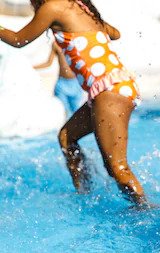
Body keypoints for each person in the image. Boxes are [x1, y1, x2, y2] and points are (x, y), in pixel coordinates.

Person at [0, 0, 148, 206]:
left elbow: (18, 39)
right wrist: (89, 22)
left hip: (110, 90)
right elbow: (115, 33)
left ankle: (145, 209)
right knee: (67, 138)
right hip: (113, 86)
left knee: (118, 167)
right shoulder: (79, 7)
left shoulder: (54, 6)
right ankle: (85, 193)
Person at [34, 41, 84, 118]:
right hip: (61, 83)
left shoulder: (75, 41)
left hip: (75, 82)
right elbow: (49, 63)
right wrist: (32, 67)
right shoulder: (56, 44)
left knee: (77, 110)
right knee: (66, 111)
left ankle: (82, 129)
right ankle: (66, 129)